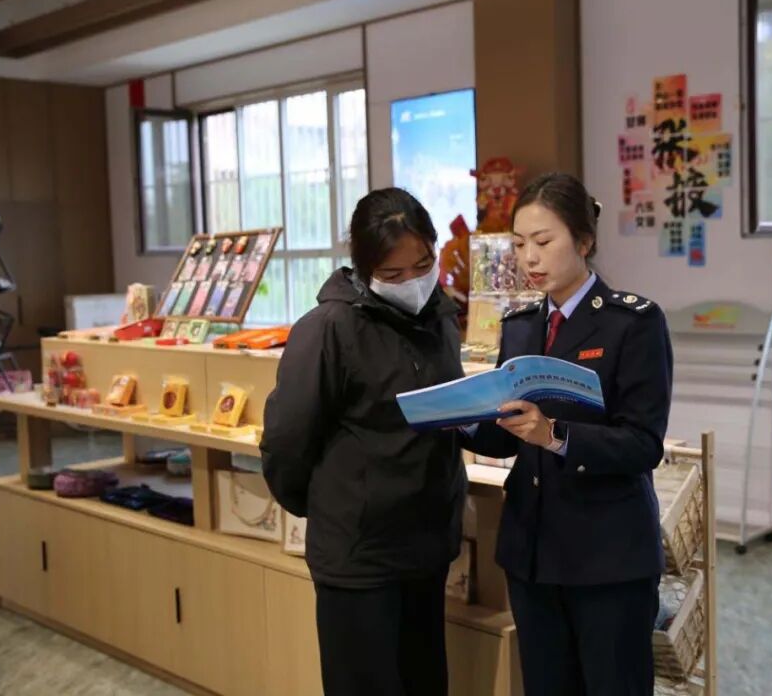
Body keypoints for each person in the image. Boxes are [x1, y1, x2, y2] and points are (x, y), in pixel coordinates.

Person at [462, 172, 673, 696]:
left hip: (608, 557)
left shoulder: (633, 324)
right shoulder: (520, 326)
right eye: (518, 245)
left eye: (543, 241)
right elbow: (505, 438)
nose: (529, 258)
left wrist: (555, 434)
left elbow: (643, 444)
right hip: (532, 552)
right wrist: (453, 419)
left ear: (583, 241)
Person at [260, 188, 467, 696]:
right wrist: (334, 507)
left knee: (424, 683)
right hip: (359, 554)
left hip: (426, 545)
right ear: (363, 268)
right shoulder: (328, 329)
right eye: (393, 275)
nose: (412, 282)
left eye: (423, 265)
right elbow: (286, 441)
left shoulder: (440, 317)